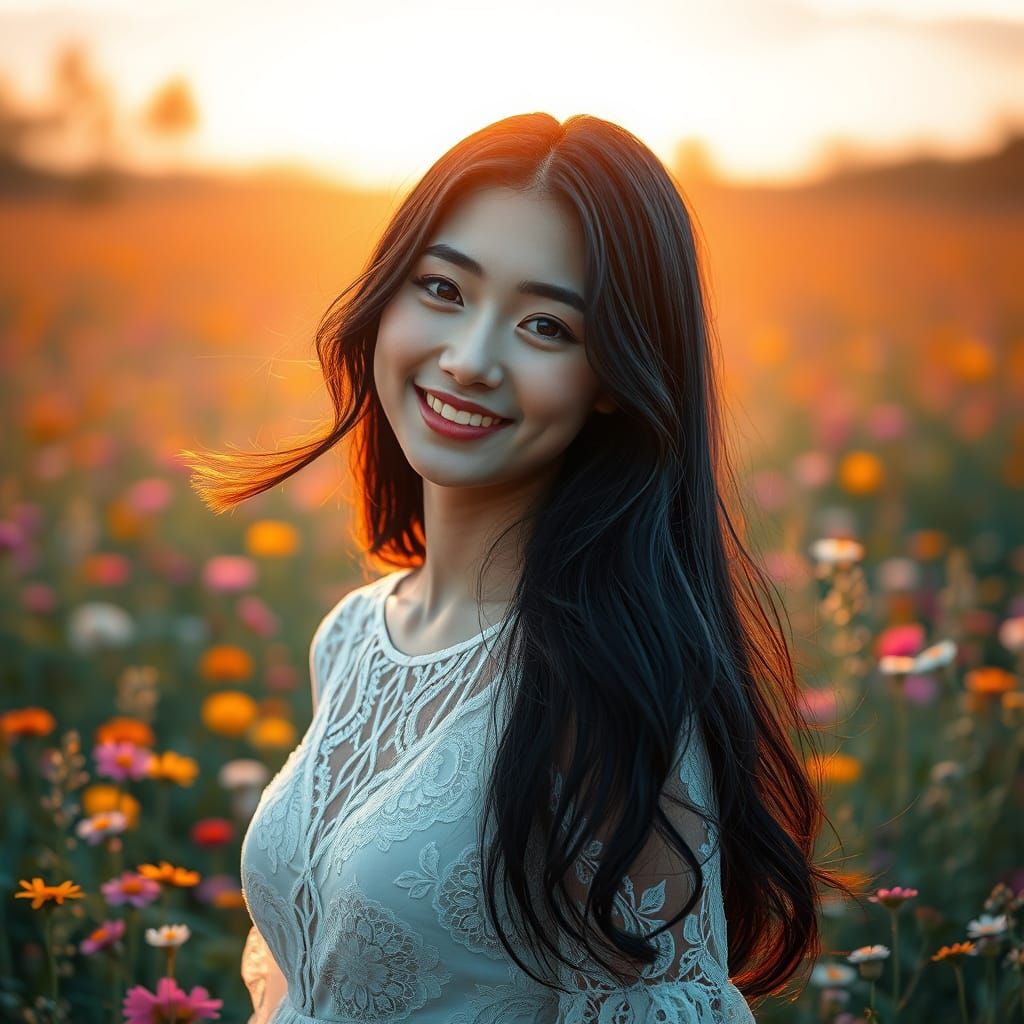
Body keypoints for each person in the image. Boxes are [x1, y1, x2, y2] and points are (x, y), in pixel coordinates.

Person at [183, 111, 857, 1024]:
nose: (469, 360)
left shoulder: (609, 693)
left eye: (545, 325)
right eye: (442, 289)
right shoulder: (352, 634)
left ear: (616, 376)